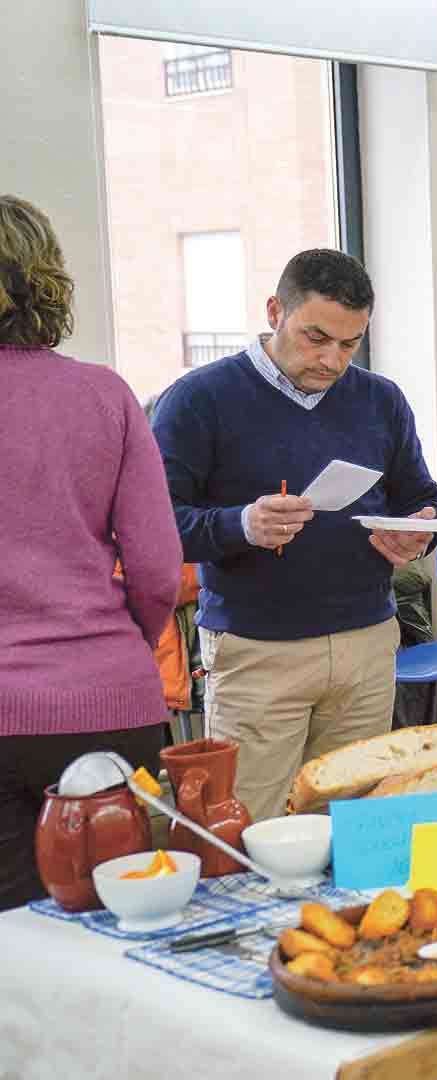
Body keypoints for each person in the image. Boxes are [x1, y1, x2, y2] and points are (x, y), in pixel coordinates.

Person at [152, 250, 437, 822]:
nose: (333, 360)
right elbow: (158, 527)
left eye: (350, 343)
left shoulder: (381, 399)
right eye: (317, 338)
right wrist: (243, 524)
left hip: (366, 643)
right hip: (258, 651)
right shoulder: (198, 399)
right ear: (274, 312)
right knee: (249, 823)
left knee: (357, 826)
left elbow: (423, 496)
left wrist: (419, 531)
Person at [0, 195, 181, 909]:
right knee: (120, 919)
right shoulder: (103, 395)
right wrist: (114, 645)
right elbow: (157, 569)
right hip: (105, 697)